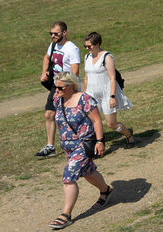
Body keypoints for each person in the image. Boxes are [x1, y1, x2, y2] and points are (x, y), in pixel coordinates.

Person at [49, 72, 112, 230]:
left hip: (83, 145)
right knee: (87, 172)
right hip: (67, 146)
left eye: (59, 87)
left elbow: (97, 120)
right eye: (54, 87)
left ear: (70, 86)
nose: (55, 90)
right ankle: (106, 191)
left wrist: (100, 141)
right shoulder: (58, 100)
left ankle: (66, 215)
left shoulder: (84, 99)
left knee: (69, 177)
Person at [36, 21, 81, 159]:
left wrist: (67, 87)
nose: (53, 36)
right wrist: (44, 72)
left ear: (64, 33)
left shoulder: (72, 49)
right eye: (51, 33)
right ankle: (50, 147)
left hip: (69, 87)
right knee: (49, 115)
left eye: (56, 33)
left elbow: (75, 71)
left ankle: (85, 140)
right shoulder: (54, 44)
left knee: (74, 116)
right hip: (56, 87)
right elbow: (46, 57)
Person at [83, 32, 135, 148]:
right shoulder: (87, 57)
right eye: (85, 46)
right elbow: (86, 77)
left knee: (111, 123)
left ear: (97, 44)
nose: (87, 49)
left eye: (89, 46)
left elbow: (112, 78)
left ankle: (128, 134)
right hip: (91, 94)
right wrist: (84, 95)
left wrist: (112, 97)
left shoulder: (107, 57)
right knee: (92, 121)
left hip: (106, 93)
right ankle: (98, 144)